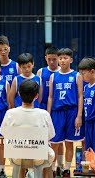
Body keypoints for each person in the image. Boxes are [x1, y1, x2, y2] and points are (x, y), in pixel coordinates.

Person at [0, 79, 56, 178]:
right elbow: (50, 136)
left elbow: (4, 134)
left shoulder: (10, 114)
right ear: (36, 96)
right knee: (47, 152)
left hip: (16, 157)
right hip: (39, 158)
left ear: (19, 94)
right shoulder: (44, 114)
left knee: (18, 150)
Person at [47, 48, 84, 177]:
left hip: (72, 112)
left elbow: (80, 96)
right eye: (60, 58)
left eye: (65, 58)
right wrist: (48, 115)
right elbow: (50, 97)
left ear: (71, 60)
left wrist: (79, 115)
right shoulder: (53, 76)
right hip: (57, 113)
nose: (62, 60)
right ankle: (52, 169)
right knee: (55, 144)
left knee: (69, 143)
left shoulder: (77, 75)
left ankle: (67, 169)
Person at [0, 35, 21, 169]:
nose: (3, 51)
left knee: (9, 138)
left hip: (12, 107)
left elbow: (21, 84)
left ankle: (16, 165)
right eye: (0, 49)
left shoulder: (15, 66)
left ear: (9, 49)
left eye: (5, 49)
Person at [36, 46, 64, 174]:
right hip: (43, 108)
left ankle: (60, 165)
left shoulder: (62, 72)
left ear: (58, 58)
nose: (52, 62)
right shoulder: (41, 72)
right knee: (44, 139)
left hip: (58, 109)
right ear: (45, 59)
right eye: (49, 59)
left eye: (54, 59)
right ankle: (47, 166)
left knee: (59, 139)